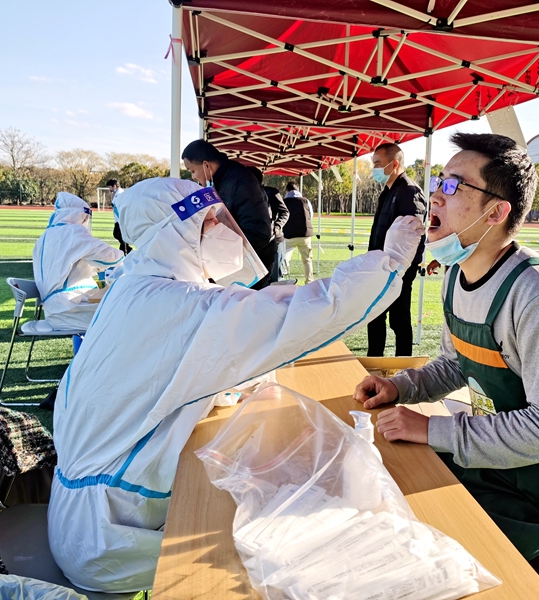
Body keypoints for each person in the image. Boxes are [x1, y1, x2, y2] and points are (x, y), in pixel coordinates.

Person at [47, 177, 423, 593]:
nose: (223, 228)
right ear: (174, 232)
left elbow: (167, 374)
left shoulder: (137, 287)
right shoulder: (175, 303)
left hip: (93, 516)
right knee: (280, 559)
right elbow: (304, 312)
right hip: (110, 536)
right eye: (209, 221)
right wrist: (390, 261)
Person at [353, 133, 539, 575]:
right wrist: (399, 387)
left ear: (496, 213)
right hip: (499, 469)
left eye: (454, 185)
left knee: (409, 558)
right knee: (381, 504)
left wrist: (434, 429)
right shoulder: (454, 276)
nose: (436, 195)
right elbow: (455, 363)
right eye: (438, 180)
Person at [181, 139, 276, 288]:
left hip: (252, 266)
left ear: (206, 165)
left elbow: (259, 233)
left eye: (192, 171)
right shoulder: (220, 182)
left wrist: (218, 250)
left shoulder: (240, 181)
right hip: (236, 263)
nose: (193, 177)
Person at [367, 143, 427, 357]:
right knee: (375, 315)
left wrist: (400, 270)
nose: (374, 168)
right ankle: (374, 360)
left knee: (399, 320)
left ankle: (403, 363)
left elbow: (414, 235)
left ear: (394, 164)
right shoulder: (388, 191)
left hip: (398, 270)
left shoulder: (409, 192)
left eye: (378, 163)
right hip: (381, 266)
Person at [32, 192, 124, 331]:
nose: (85, 221)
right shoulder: (72, 232)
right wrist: (132, 257)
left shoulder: (45, 236)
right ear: (76, 215)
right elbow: (109, 257)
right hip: (68, 307)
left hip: (56, 308)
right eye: (85, 217)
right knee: (123, 314)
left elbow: (72, 264)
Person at [248, 167, 289, 282]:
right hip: (254, 244)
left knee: (275, 278)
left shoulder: (271, 192)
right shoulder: (244, 195)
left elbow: (285, 212)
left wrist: (277, 226)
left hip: (274, 240)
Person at [282, 182, 314, 284]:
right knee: (307, 260)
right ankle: (309, 282)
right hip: (305, 234)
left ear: (287, 191)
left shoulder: (284, 202)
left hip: (289, 235)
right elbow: (310, 215)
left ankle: (283, 280)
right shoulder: (306, 201)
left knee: (284, 259)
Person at [108, 179, 131, 254]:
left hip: (120, 220)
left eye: (110, 187)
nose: (109, 189)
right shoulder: (117, 194)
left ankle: (127, 251)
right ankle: (124, 250)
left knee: (118, 234)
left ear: (114, 186)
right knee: (117, 234)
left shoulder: (120, 194)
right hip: (118, 219)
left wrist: (121, 219)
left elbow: (117, 207)